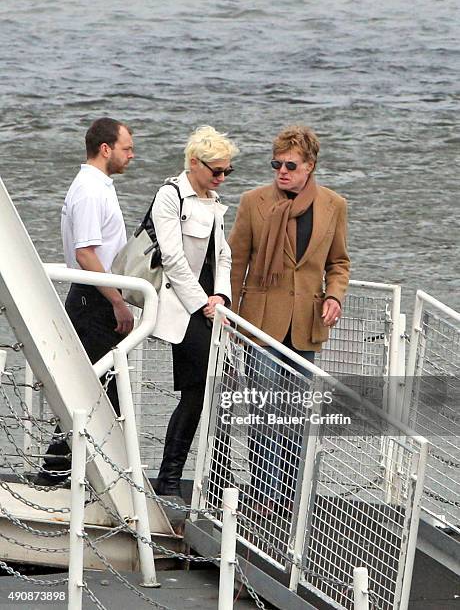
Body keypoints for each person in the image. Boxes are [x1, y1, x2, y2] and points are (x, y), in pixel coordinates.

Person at [228, 124, 350, 512]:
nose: (282, 171)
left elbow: (339, 262)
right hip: (260, 322)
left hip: (307, 322)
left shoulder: (333, 205)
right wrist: (230, 313)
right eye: (276, 164)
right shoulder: (254, 202)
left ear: (309, 166)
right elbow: (236, 261)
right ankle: (264, 495)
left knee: (296, 411)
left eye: (290, 165)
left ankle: (291, 496)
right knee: (264, 410)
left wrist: (334, 296)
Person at [35, 117, 135, 486]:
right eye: (127, 148)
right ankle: (68, 477)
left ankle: (80, 476)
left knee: (98, 393)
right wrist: (118, 302)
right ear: (105, 149)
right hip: (92, 299)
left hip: (92, 297)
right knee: (98, 394)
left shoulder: (95, 186)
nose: (132, 155)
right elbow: (86, 255)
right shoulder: (91, 190)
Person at [152, 125, 239, 497]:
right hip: (183, 306)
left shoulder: (213, 202)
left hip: (209, 309)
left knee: (211, 388)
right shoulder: (170, 196)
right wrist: (201, 303)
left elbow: (223, 255)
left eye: (226, 172)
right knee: (205, 385)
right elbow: (171, 258)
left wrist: (221, 296)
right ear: (193, 162)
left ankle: (209, 480)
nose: (221, 178)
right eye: (215, 170)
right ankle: (173, 478)